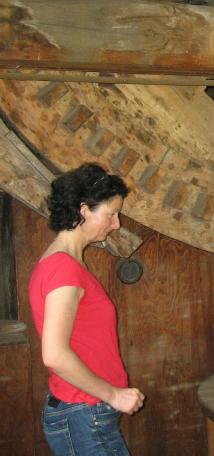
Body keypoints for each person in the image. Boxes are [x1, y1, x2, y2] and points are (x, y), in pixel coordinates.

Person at [28, 163, 145, 455]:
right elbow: (54, 355)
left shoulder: (63, 262)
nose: (116, 224)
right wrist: (113, 395)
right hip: (83, 414)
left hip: (83, 412)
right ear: (83, 210)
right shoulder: (64, 269)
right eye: (111, 214)